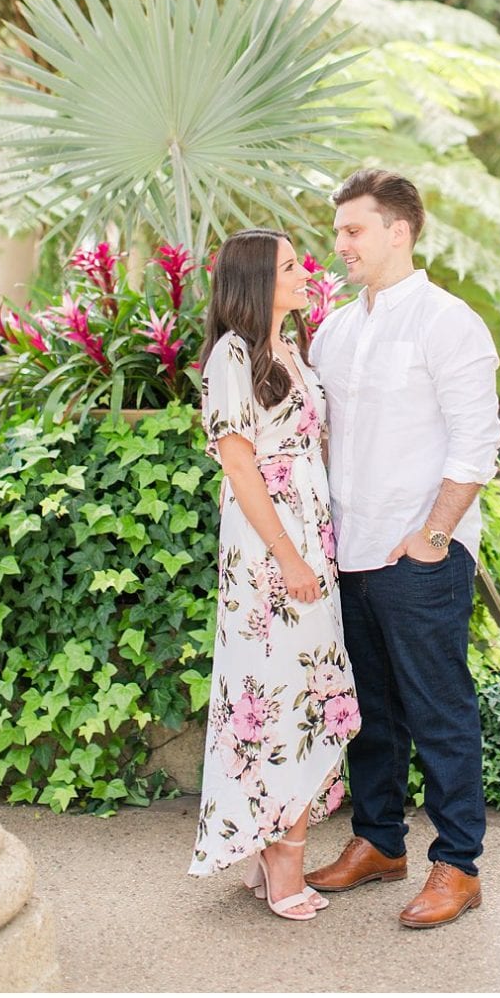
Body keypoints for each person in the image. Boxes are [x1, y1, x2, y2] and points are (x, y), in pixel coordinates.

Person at [304, 170, 500, 930]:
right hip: (347, 556)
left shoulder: (449, 324)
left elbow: (477, 441)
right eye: (338, 231)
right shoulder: (334, 330)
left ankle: (458, 865)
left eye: (354, 229)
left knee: (439, 711)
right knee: (371, 713)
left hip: (420, 558)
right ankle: (379, 841)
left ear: (400, 231)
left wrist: (433, 536)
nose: (341, 244)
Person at [190, 230, 358, 922]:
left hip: (309, 539)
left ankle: (272, 843)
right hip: (271, 552)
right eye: (290, 266)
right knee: (281, 685)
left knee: (302, 684)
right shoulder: (232, 354)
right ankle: (282, 855)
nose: (305, 272)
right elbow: (239, 465)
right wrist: (289, 557)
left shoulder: (290, 347)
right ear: (259, 280)